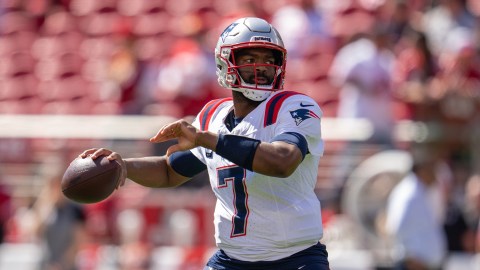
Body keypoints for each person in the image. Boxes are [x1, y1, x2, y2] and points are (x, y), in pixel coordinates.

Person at [79, 17, 329, 270]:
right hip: (231, 259)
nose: (261, 67)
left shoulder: (294, 106)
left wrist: (205, 139)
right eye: (249, 58)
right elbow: (169, 171)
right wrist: (122, 166)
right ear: (225, 61)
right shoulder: (213, 116)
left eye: (268, 59)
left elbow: (282, 161)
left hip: (294, 258)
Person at [384, 146, 447, 270]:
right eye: (432, 168)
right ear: (422, 170)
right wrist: (411, 258)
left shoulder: (424, 192)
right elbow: (396, 227)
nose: (436, 173)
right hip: (414, 265)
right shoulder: (408, 194)